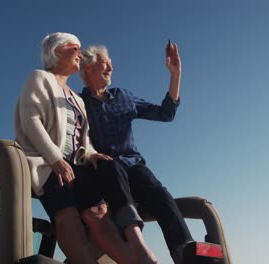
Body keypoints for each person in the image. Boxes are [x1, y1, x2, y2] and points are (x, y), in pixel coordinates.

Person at [15, 32, 158, 264]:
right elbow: (31, 120)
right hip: (46, 162)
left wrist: (91, 153)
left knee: (99, 213)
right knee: (67, 215)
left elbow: (83, 137)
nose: (80, 54)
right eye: (74, 48)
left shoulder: (77, 98)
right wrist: (55, 159)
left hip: (76, 165)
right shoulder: (39, 78)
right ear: (56, 51)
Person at [79, 43, 196, 264]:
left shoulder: (123, 96)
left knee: (161, 195)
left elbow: (165, 113)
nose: (111, 69)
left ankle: (184, 254)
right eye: (106, 64)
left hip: (133, 167)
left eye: (111, 65)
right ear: (88, 67)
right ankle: (139, 249)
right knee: (111, 168)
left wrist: (175, 74)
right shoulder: (78, 103)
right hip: (104, 174)